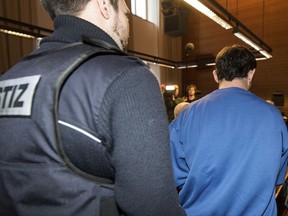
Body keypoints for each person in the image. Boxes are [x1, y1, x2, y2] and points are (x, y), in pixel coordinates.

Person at [0, 0, 186, 216]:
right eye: (126, 15)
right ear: (105, 5)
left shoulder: (10, 78)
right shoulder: (126, 78)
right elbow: (153, 207)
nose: (128, 26)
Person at [169, 45, 288, 216]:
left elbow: (173, 176)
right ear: (251, 73)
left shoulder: (187, 116)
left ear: (216, 74)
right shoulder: (274, 118)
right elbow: (276, 178)